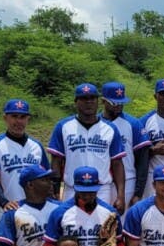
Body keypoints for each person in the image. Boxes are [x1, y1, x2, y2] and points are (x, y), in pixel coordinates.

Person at [48, 83, 127, 211]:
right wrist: (56, 190)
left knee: (102, 228)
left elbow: (117, 163)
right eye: (84, 99)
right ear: (76, 102)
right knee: (70, 227)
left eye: (92, 98)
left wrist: (121, 196)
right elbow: (56, 161)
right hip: (72, 189)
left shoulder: (110, 129)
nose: (88, 102)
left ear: (98, 102)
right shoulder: (63, 126)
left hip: (102, 189)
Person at [0, 99, 49, 214]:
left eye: (22, 117)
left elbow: (46, 178)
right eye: (14, 116)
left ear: (28, 119)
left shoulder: (36, 146)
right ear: (5, 118)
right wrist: (3, 202)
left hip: (35, 209)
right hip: (8, 209)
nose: (18, 121)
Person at [100, 81, 151, 206]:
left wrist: (138, 193)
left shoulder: (133, 123)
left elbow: (143, 161)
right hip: (101, 182)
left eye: (121, 102)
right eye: (114, 102)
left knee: (123, 224)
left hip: (128, 181)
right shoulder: (95, 123)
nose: (118, 106)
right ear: (103, 101)